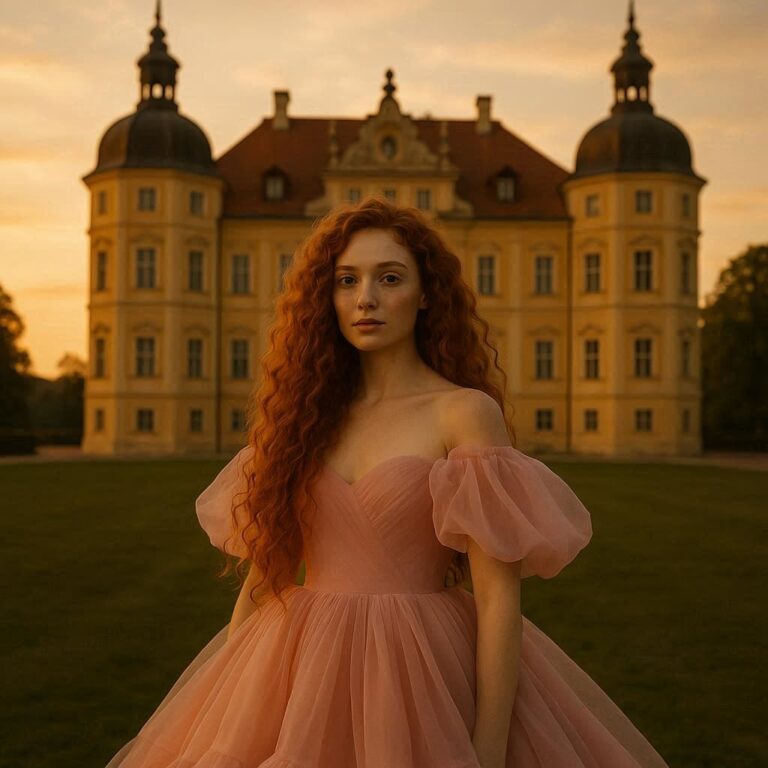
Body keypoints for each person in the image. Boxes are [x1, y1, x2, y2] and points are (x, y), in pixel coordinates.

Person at [105, 197, 669, 767]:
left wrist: (489, 750)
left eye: (390, 278)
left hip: (421, 667)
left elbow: (498, 599)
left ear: (426, 294)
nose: (365, 298)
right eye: (347, 280)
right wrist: (226, 703)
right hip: (297, 665)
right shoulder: (303, 417)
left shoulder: (462, 412)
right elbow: (264, 576)